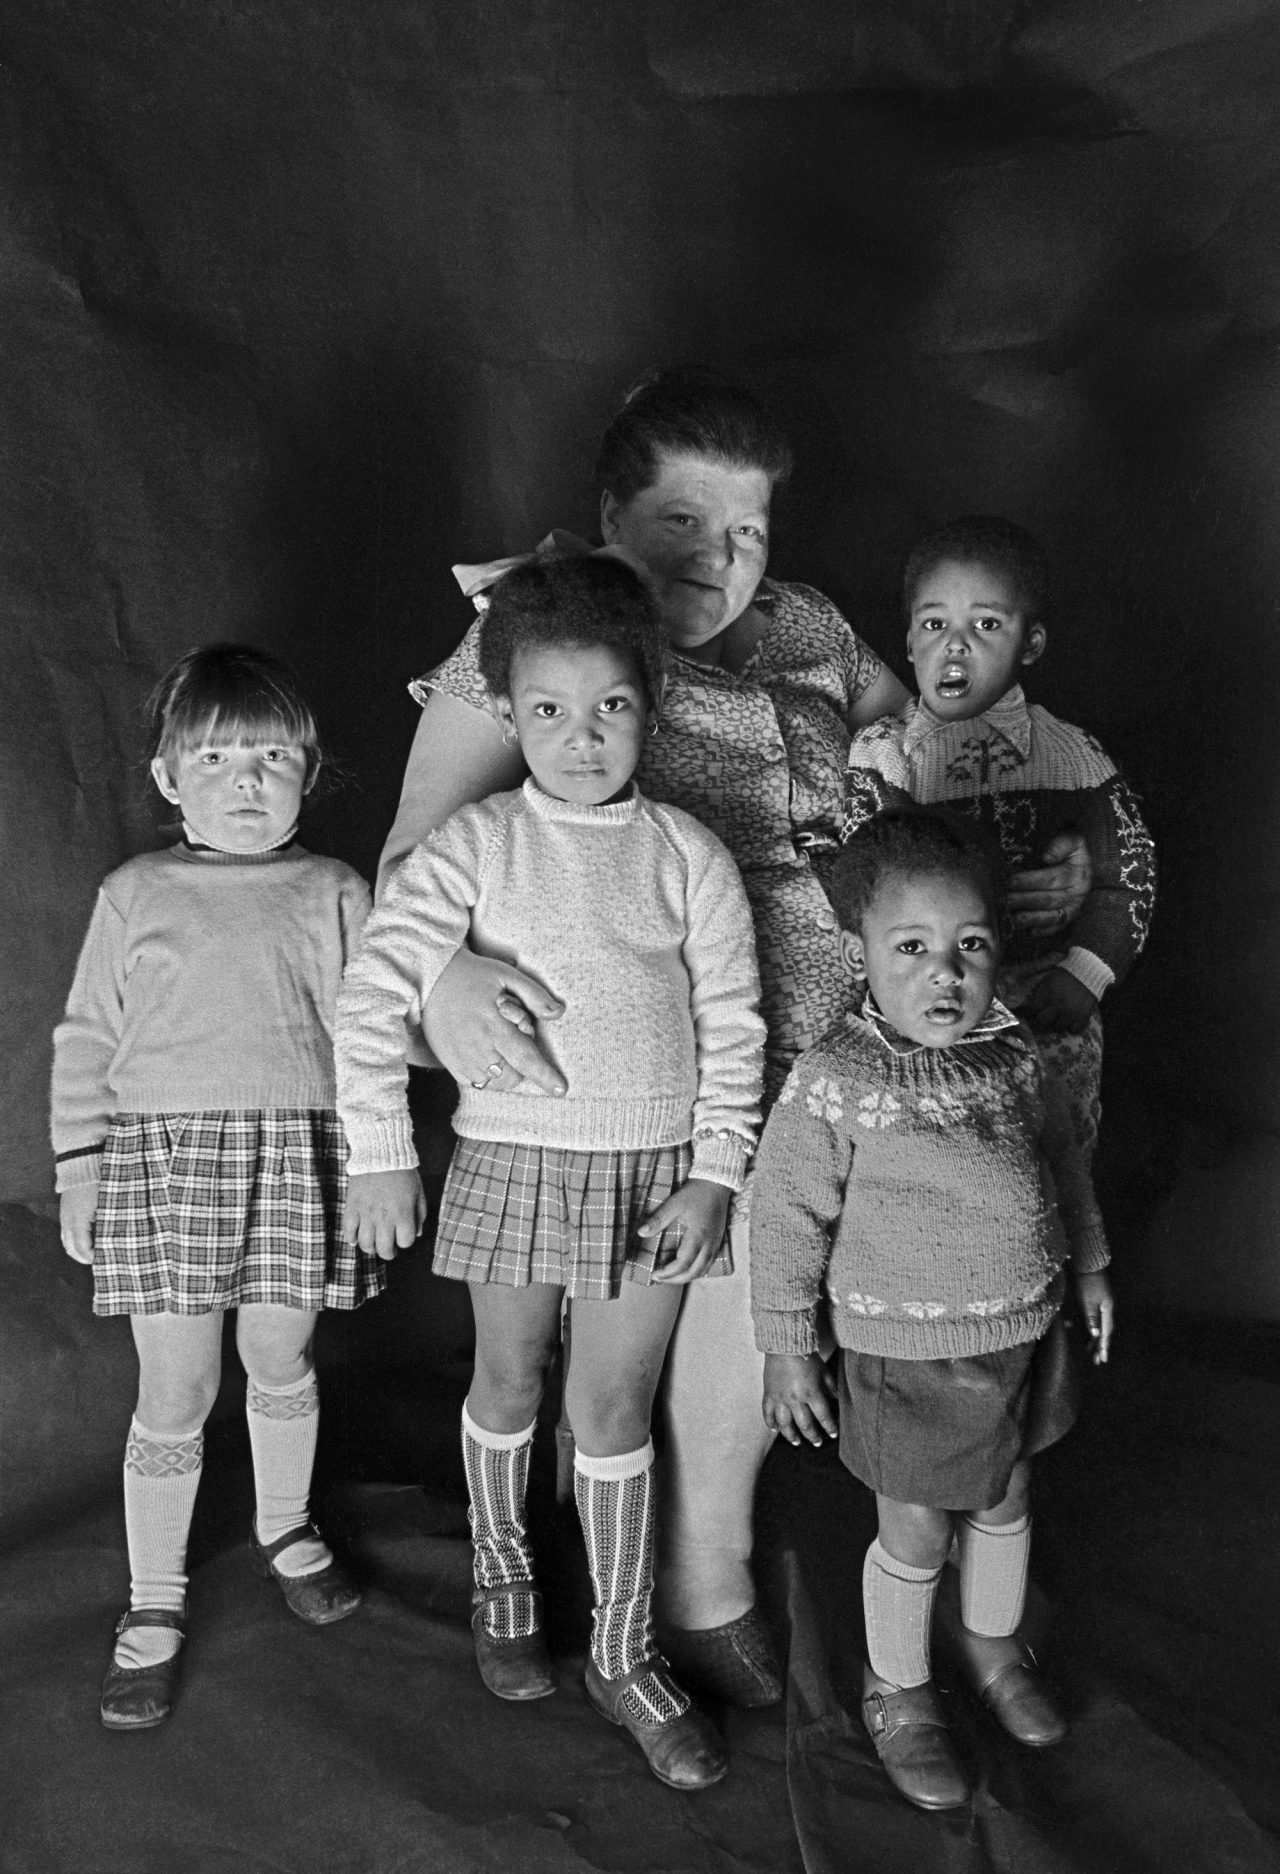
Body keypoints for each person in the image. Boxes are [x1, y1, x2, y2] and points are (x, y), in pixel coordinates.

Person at [376, 371, 1091, 1710]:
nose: (719, 561)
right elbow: (413, 862)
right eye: (682, 520)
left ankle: (725, 1562)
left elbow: (945, 730)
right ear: (607, 515)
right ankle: (638, 1573)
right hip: (653, 1052)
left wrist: (1044, 847)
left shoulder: (808, 626)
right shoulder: (544, 634)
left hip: (850, 1043)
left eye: (750, 529)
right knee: (669, 1280)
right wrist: (448, 987)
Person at [335, 554, 764, 1790]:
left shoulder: (687, 855)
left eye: (611, 707)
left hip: (657, 1173)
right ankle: (502, 1567)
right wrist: (376, 1150)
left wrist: (716, 1174)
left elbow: (732, 1023)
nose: (581, 738)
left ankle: (622, 1650)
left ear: (650, 704)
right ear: (508, 709)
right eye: (547, 711)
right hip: (516, 1158)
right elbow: (374, 991)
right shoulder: (472, 845)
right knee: (511, 1373)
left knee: (612, 1410)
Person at [749, 811, 1114, 1811]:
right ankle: (897, 1686)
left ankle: (989, 1635)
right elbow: (781, 1217)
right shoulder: (837, 1080)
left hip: (1021, 1331)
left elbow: (1062, 1164)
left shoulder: (1014, 1056)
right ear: (859, 949)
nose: (943, 974)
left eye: (970, 946)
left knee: (1003, 1497)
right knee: (913, 1526)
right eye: (910, 948)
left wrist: (1087, 1267)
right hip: (901, 1350)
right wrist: (786, 1348)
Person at [51, 644, 379, 1732]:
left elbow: (375, 1035)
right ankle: (154, 1595)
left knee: (279, 1353)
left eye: (274, 756)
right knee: (177, 1390)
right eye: (220, 756)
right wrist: (80, 1168)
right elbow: (86, 1035)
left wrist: (384, 1147)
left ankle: (286, 1522)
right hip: (163, 1164)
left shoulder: (334, 890)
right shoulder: (134, 892)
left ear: (310, 770)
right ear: (168, 778)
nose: (248, 781)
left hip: (297, 1155)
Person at [844, 515, 1156, 1159]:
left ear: (1031, 645)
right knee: (933, 1149)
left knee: (1054, 1148)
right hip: (927, 987)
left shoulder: (1073, 757)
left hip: (1044, 993)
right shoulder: (883, 755)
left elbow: (1132, 870)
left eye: (986, 625)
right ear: (906, 640)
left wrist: (1087, 972)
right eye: (934, 625)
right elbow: (861, 878)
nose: (953, 648)